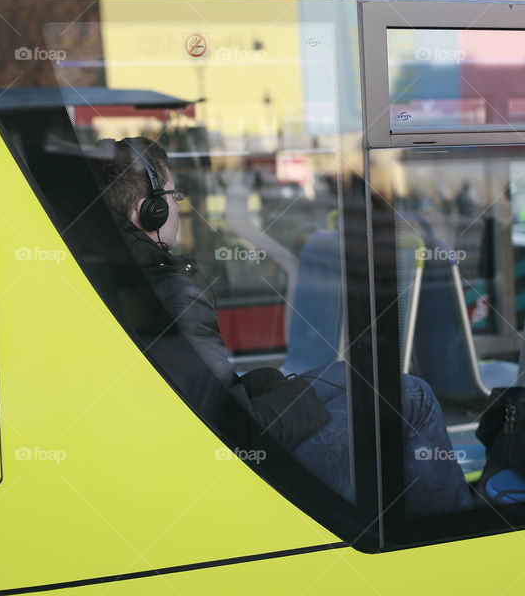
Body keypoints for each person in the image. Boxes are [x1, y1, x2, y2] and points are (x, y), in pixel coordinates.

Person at [94, 137, 472, 517]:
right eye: (174, 196)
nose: (178, 205)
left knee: (359, 377)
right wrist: (297, 396)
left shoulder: (110, 278)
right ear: (150, 212)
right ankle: (454, 538)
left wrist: (273, 385)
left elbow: (206, 401)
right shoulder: (172, 295)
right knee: (412, 398)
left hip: (175, 460)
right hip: (238, 475)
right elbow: (244, 433)